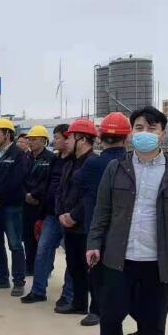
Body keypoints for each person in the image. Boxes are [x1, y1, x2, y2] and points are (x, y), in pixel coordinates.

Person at [87, 106, 168, 335]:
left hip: (159, 261)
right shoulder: (116, 168)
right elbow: (102, 211)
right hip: (119, 257)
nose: (145, 133)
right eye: (139, 127)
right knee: (110, 314)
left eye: (152, 128)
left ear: (163, 134)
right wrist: (93, 243)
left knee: (153, 321)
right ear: (130, 134)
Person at [76, 113, 130, 333]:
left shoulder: (93, 163)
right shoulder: (132, 163)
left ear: (99, 137)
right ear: (127, 138)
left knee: (99, 278)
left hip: (97, 229)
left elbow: (78, 184)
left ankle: (98, 313)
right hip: (125, 231)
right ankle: (139, 323)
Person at [21, 124, 74, 305]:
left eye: (57, 137)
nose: (54, 141)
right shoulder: (55, 159)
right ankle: (38, 291)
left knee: (71, 255)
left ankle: (68, 295)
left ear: (68, 139)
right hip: (51, 214)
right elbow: (47, 184)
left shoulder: (76, 161)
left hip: (69, 216)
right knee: (43, 250)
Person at [55, 118, 97, 316]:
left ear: (82, 139)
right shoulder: (69, 163)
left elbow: (91, 196)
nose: (67, 141)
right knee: (74, 267)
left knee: (90, 270)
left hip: (83, 225)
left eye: (70, 137)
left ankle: (96, 310)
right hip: (67, 224)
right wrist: (60, 214)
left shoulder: (93, 163)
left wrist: (73, 216)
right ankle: (79, 304)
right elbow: (60, 191)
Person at [0, 118, 30, 296]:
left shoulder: (18, 155)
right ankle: (2, 277)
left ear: (7, 134)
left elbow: (15, 181)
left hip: (11, 207)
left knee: (15, 244)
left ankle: (18, 281)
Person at [22, 125, 54, 276]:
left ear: (43, 140)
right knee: (28, 237)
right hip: (27, 205)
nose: (30, 142)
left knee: (43, 239)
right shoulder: (25, 157)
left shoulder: (51, 158)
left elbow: (48, 181)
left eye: (34, 139)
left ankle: (46, 268)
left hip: (42, 205)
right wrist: (25, 195)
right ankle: (29, 266)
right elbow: (20, 178)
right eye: (29, 139)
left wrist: (34, 195)